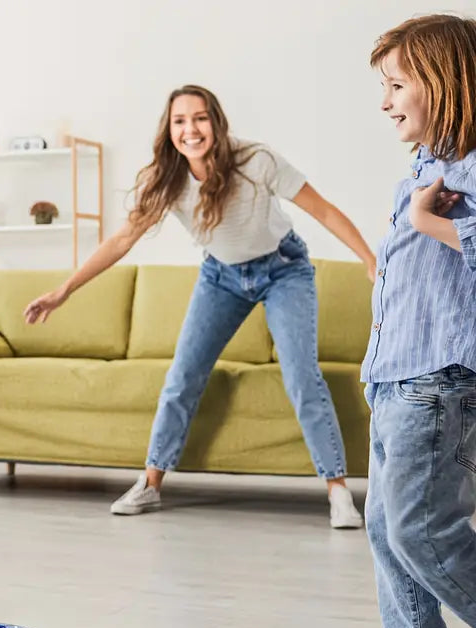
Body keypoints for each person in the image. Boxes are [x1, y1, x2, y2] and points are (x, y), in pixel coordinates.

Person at [25, 84, 375, 528]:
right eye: (180, 121)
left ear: (216, 122)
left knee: (302, 376)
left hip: (283, 269)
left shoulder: (256, 160)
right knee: (182, 376)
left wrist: (369, 259)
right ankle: (151, 483)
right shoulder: (168, 180)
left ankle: (338, 492)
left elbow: (322, 210)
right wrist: (65, 290)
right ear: (169, 130)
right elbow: (121, 240)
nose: (190, 129)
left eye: (200, 118)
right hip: (221, 276)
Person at [337, 14, 476, 628]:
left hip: (437, 381)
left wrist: (426, 223)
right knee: (388, 532)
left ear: (444, 82)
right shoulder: (423, 169)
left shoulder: (470, 166)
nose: (386, 102)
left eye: (397, 85)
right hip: (396, 378)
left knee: (423, 532)